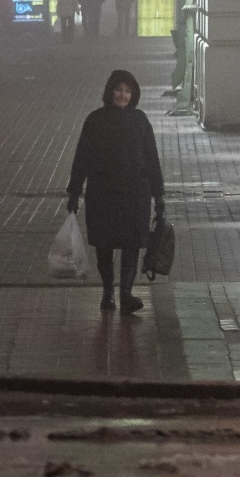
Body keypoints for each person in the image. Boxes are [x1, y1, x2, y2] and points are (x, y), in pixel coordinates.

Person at [65, 68, 165, 313]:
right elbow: (82, 157)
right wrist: (74, 191)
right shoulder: (95, 120)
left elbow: (152, 158)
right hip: (103, 193)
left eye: (128, 91)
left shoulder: (140, 120)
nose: (123, 95)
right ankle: (108, 292)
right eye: (119, 90)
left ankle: (126, 293)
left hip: (135, 194)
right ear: (110, 92)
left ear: (134, 95)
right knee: (104, 245)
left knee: (132, 244)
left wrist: (159, 194)